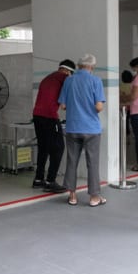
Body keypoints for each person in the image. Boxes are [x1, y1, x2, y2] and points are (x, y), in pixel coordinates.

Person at [59, 54, 107, 207]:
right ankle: (94, 197)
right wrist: (89, 108)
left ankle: (72, 196)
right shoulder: (95, 80)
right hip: (91, 129)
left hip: (73, 127)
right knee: (92, 162)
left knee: (72, 161)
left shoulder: (68, 80)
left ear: (78, 66)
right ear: (92, 67)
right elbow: (99, 106)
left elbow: (63, 106)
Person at [31, 59, 76, 193]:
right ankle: (50, 181)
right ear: (68, 71)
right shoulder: (65, 78)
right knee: (58, 148)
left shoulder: (48, 78)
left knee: (43, 147)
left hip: (37, 116)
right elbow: (65, 103)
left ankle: (38, 179)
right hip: (49, 117)